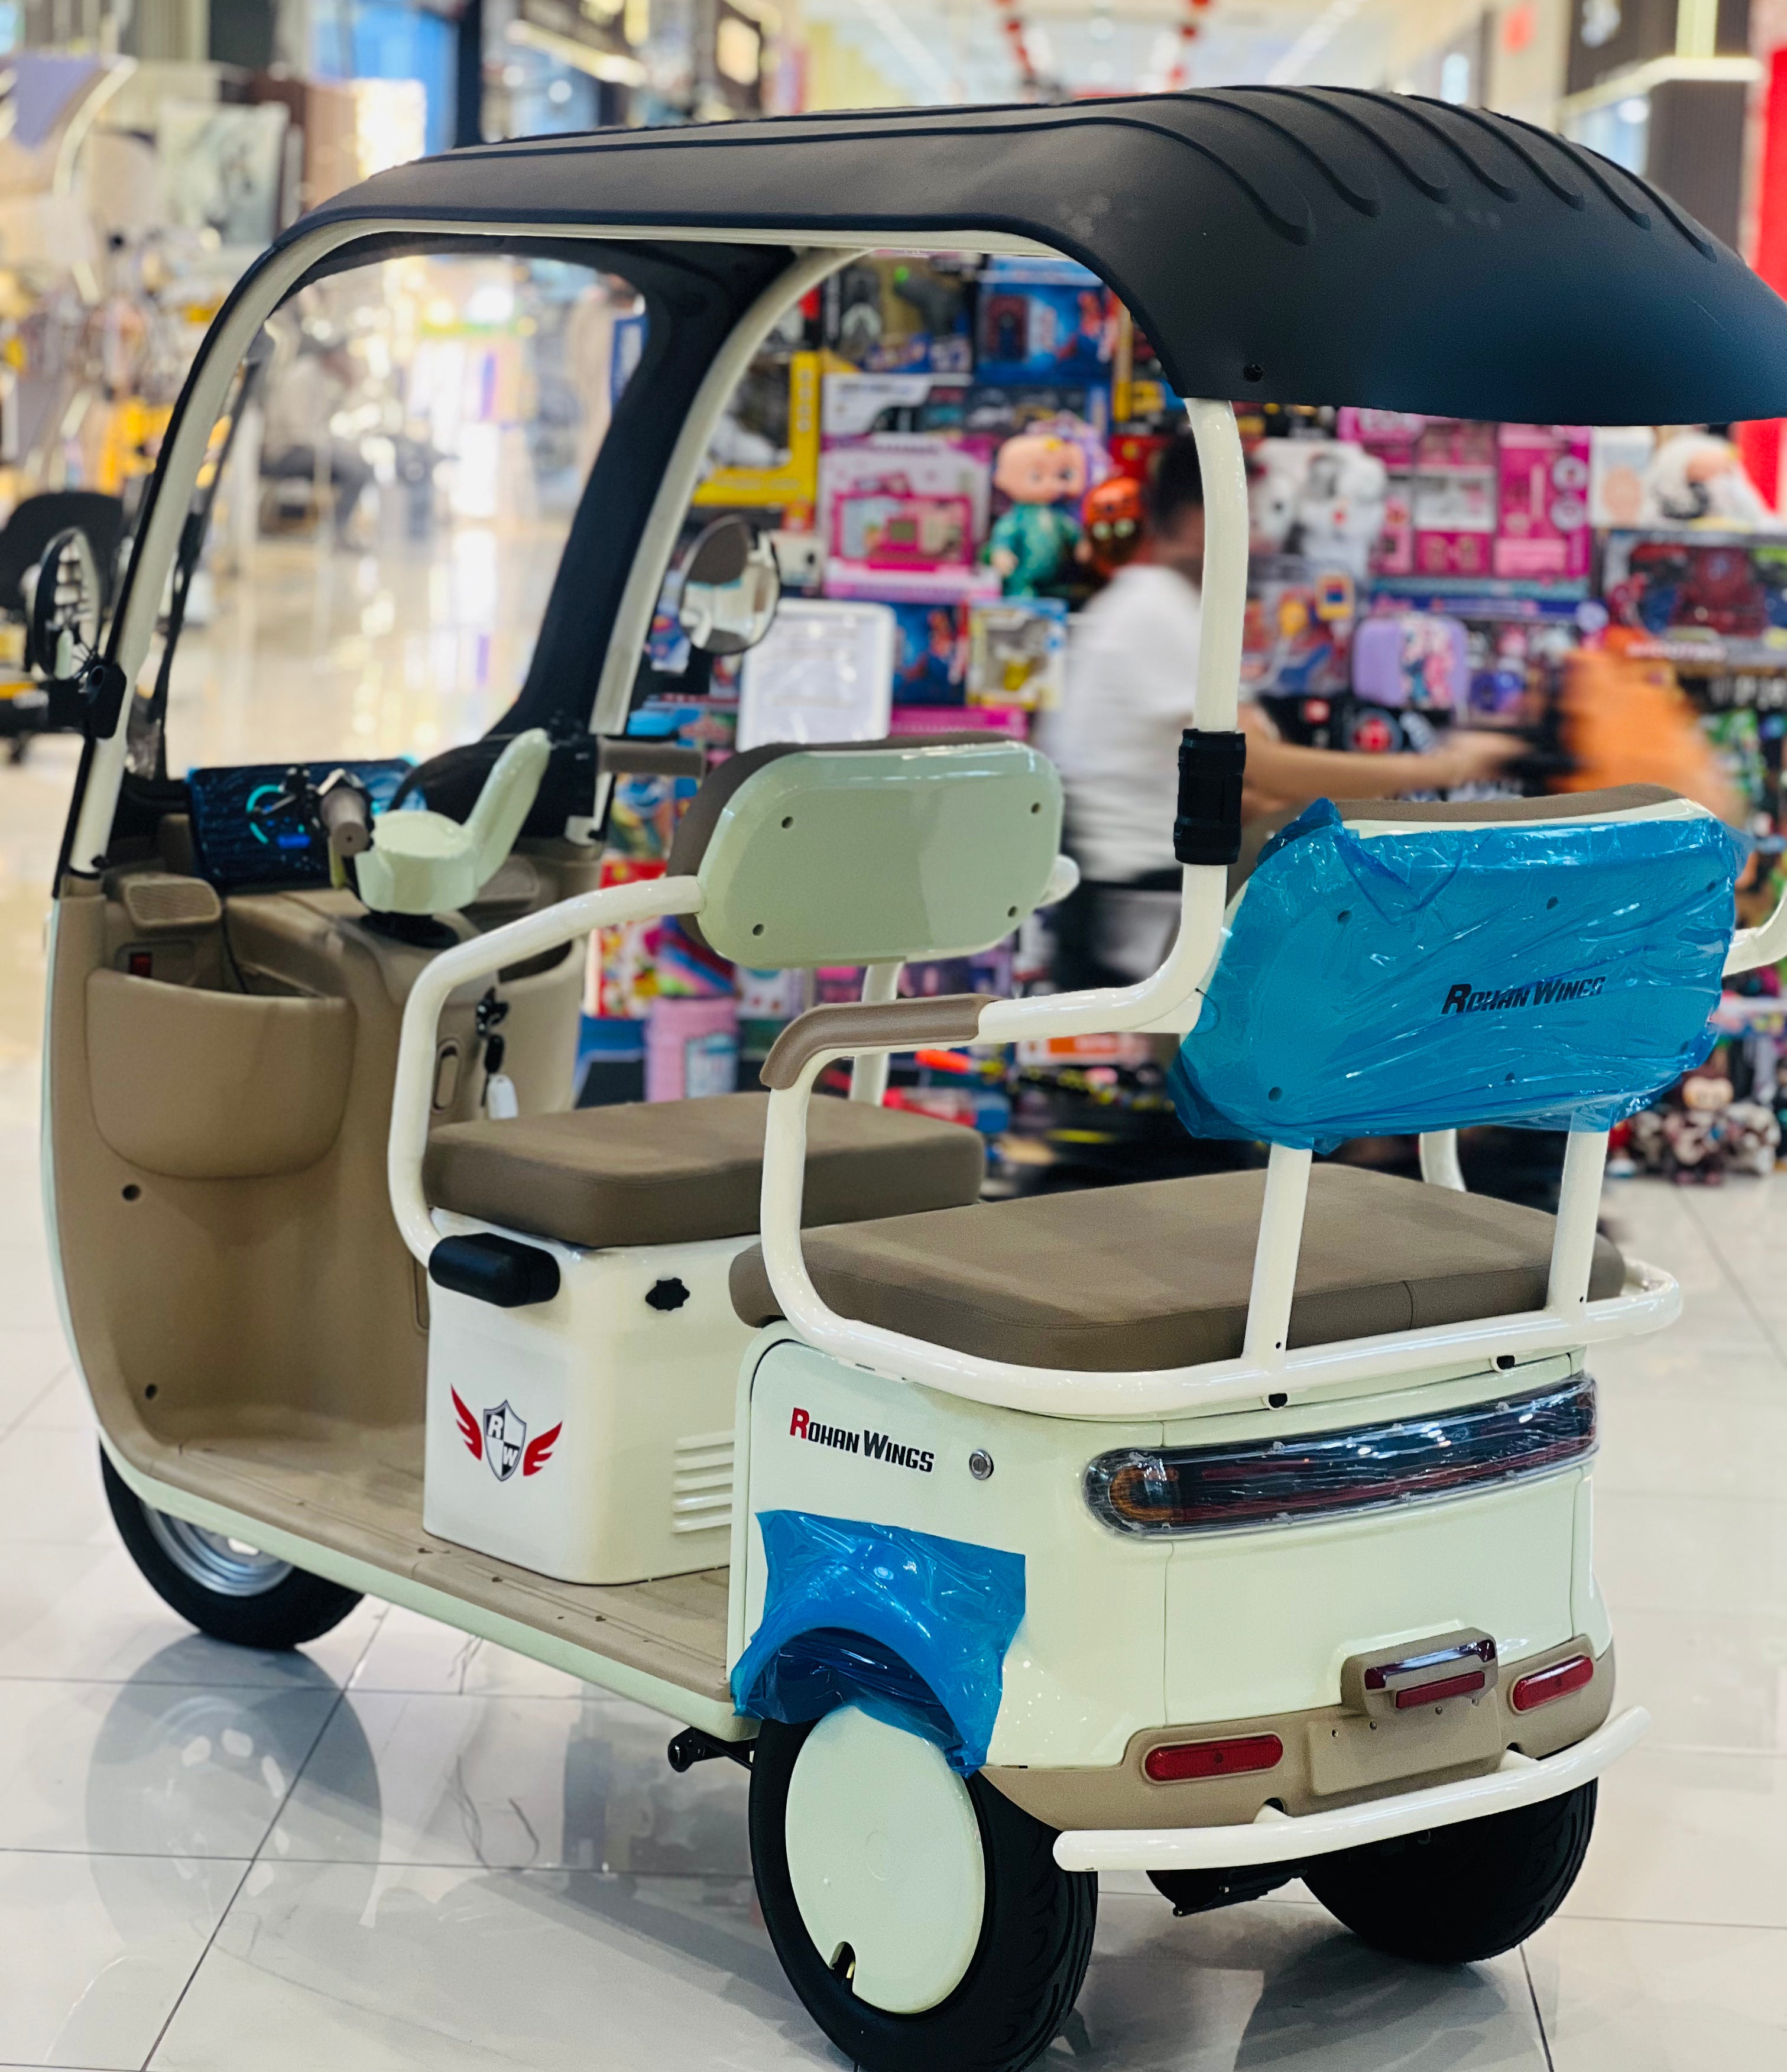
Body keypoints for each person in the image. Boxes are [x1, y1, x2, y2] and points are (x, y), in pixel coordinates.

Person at [1043, 430, 1517, 985]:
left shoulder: (1158, 609)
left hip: (1166, 909)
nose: (1263, 543)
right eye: (1254, 518)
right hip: (1156, 924)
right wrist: (1436, 770)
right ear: (1205, 518)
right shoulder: (1154, 611)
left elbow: (1246, 786)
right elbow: (1249, 763)